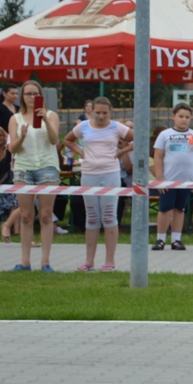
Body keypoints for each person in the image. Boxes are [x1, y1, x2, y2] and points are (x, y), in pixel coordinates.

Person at [64, 97, 133, 271]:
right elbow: (68, 140)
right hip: (89, 174)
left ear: (110, 112)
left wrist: (120, 153)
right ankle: (89, 261)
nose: (101, 116)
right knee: (92, 216)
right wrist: (81, 152)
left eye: (105, 113)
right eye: (98, 113)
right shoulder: (83, 126)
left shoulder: (117, 127)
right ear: (91, 111)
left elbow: (137, 139)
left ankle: (110, 261)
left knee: (109, 215)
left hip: (110, 174)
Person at [9, 80, 61, 272]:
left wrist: (45, 120)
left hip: (47, 167)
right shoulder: (16, 118)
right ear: (22, 97)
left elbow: (54, 140)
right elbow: (12, 148)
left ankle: (45, 262)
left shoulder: (51, 115)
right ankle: (25, 262)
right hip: (23, 168)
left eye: (35, 93)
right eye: (28, 94)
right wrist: (22, 136)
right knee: (26, 215)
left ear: (41, 96)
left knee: (46, 215)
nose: (31, 97)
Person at [151, 103, 193, 251]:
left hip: (186, 181)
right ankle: (160, 239)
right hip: (168, 180)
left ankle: (176, 239)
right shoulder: (165, 135)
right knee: (165, 209)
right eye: (181, 116)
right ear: (173, 117)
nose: (184, 120)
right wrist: (160, 178)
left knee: (180, 209)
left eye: (187, 117)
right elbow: (158, 156)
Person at [0, 126, 20, 242]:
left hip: (8, 186)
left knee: (15, 201)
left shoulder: (10, 152)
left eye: (0, 135)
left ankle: (16, 231)